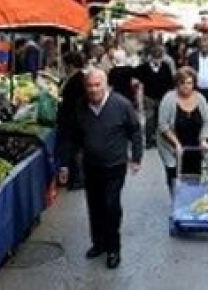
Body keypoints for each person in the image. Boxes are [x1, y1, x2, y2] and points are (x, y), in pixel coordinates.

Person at [56, 69, 143, 270]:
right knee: (95, 206)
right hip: (91, 166)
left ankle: (113, 249)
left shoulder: (121, 105)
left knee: (111, 206)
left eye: (97, 85)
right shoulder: (81, 107)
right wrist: (64, 164)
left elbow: (135, 131)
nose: (94, 90)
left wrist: (136, 158)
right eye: (90, 86)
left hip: (115, 166)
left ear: (106, 85)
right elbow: (72, 138)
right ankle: (99, 243)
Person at [157, 67, 208, 192]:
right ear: (177, 84)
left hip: (194, 145)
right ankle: (178, 202)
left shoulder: (200, 99)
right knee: (174, 176)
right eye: (182, 83)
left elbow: (206, 121)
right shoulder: (169, 99)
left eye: (189, 83)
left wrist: (203, 139)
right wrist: (176, 144)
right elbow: (163, 125)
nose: (186, 86)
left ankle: (192, 202)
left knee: (194, 176)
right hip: (171, 146)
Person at [57, 51, 88, 190]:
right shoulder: (74, 77)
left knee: (74, 150)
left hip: (73, 119)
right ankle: (75, 178)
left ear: (70, 65)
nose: (63, 67)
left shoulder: (78, 79)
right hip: (72, 118)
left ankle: (78, 179)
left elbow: (76, 101)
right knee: (74, 150)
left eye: (65, 64)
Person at [134, 45, 175, 150]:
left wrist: (170, 95)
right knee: (150, 120)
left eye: (159, 57)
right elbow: (137, 80)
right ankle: (149, 140)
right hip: (149, 97)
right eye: (155, 58)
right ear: (151, 57)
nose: (157, 60)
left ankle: (160, 140)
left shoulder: (165, 66)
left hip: (162, 97)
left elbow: (170, 82)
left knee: (161, 120)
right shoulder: (144, 68)